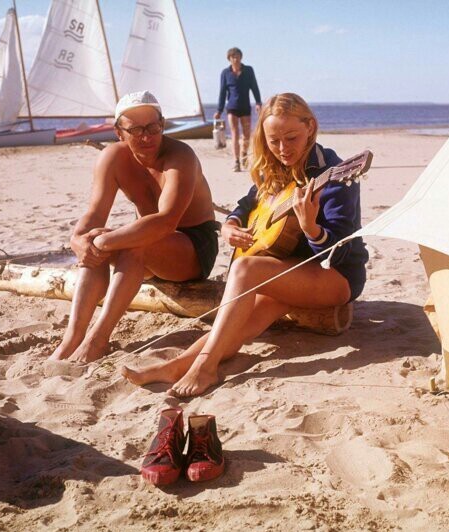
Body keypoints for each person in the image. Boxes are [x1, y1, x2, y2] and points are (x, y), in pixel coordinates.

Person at [123, 93, 369, 397]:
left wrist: (311, 229)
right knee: (248, 318)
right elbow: (246, 204)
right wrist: (230, 226)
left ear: (311, 127)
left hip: (337, 276)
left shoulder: (332, 174)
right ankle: (177, 365)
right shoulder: (274, 167)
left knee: (244, 267)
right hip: (291, 272)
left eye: (291, 138)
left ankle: (205, 368)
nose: (282, 149)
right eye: (273, 141)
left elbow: (341, 250)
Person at [48, 91, 219, 367]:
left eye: (153, 128)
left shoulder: (180, 156)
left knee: (124, 242)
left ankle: (97, 340)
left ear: (162, 124)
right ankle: (73, 337)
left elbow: (167, 221)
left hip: (192, 249)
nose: (146, 137)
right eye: (136, 130)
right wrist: (79, 240)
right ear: (119, 132)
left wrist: (104, 242)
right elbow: (95, 213)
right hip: (147, 246)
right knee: (96, 237)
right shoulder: (113, 157)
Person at [214, 47, 262, 173]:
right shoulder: (225, 73)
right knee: (235, 134)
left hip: (245, 107)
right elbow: (222, 93)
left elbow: (254, 87)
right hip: (232, 108)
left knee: (246, 135)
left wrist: (258, 102)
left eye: (237, 56)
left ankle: (244, 154)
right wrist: (219, 110)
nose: (235, 59)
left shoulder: (248, 70)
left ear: (241, 57)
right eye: (232, 57)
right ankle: (236, 161)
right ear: (229, 59)